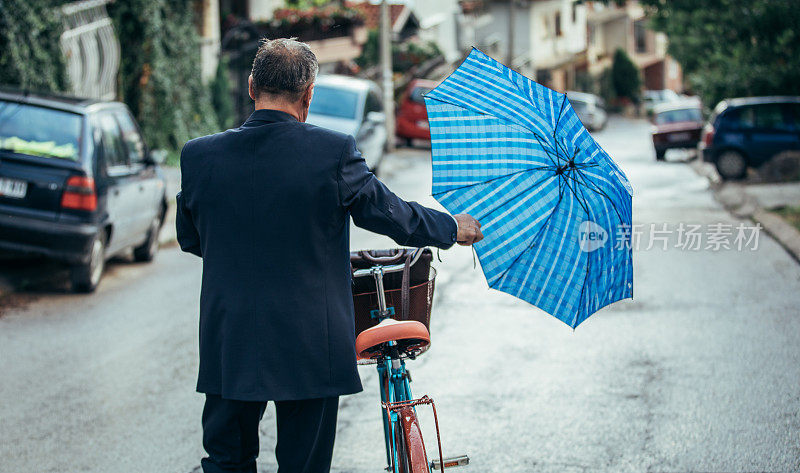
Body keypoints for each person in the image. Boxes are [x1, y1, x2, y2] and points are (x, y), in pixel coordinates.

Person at [176, 38, 483, 473]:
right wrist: (451, 227)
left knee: (227, 463)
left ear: (250, 88)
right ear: (309, 95)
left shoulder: (199, 155)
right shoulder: (332, 152)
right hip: (310, 343)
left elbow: (191, 239)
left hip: (232, 339)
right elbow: (393, 216)